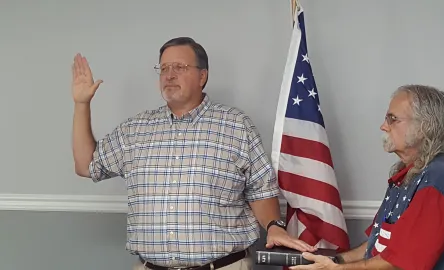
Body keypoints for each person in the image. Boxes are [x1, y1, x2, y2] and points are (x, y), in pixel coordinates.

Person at [71, 37, 315, 270]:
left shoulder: (236, 126)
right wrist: (82, 104)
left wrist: (274, 226)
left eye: (180, 67)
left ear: (202, 76)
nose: (169, 75)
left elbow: (261, 190)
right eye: (164, 68)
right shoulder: (134, 130)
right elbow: (86, 165)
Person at [290, 85, 444, 270]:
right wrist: (336, 261)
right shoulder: (406, 175)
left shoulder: (439, 180)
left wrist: (336, 269)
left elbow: (399, 263)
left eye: (392, 119)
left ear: (423, 127)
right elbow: (376, 244)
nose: (383, 126)